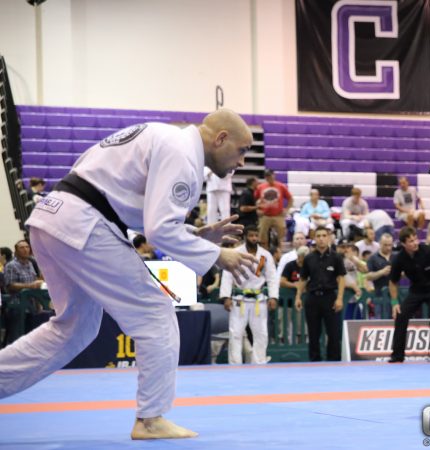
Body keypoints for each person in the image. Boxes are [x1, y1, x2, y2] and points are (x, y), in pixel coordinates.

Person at [0, 109, 259, 439]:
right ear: (221, 138)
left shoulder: (163, 137)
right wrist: (218, 255)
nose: (242, 161)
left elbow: (132, 207)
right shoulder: (183, 155)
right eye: (242, 150)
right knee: (155, 310)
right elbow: (159, 229)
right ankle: (151, 419)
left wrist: (196, 235)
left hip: (54, 217)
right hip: (85, 225)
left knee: (75, 328)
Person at [388, 227, 430, 363]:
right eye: (410, 241)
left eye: (415, 239)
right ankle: (397, 355)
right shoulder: (399, 259)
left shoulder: (428, 251)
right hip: (416, 291)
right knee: (401, 316)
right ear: (403, 244)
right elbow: (392, 282)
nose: (415, 243)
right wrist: (394, 302)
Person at [220, 225, 278, 365]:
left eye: (256, 236)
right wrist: (226, 296)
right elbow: (227, 275)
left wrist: (273, 297)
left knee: (261, 333)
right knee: (235, 333)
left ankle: (259, 362)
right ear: (245, 237)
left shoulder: (265, 255)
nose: (254, 238)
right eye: (251, 236)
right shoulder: (235, 253)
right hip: (239, 300)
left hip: (259, 300)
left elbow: (272, 277)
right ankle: (235, 364)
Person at [295, 226, 346, 361]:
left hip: (330, 298)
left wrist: (340, 298)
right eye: (318, 236)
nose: (321, 239)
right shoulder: (309, 258)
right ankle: (314, 362)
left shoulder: (336, 257)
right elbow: (303, 279)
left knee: (333, 333)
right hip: (312, 298)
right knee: (313, 333)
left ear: (328, 238)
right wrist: (298, 297)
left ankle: (334, 362)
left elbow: (341, 278)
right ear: (314, 238)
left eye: (324, 235)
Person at [255, 169, 293, 249]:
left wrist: (286, 209)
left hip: (278, 215)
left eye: (270, 175)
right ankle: (263, 254)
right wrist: (257, 209)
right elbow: (255, 199)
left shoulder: (281, 186)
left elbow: (290, 198)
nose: (269, 178)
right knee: (262, 237)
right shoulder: (260, 187)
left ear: (274, 175)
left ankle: (279, 253)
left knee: (281, 237)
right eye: (267, 176)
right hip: (265, 215)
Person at [366, 233, 394, 319]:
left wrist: (397, 272)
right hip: (379, 296)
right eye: (385, 245)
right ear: (380, 244)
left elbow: (405, 272)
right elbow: (368, 276)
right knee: (380, 321)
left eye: (390, 245)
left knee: (397, 321)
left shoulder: (396, 256)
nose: (388, 248)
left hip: (395, 296)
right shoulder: (373, 258)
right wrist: (381, 272)